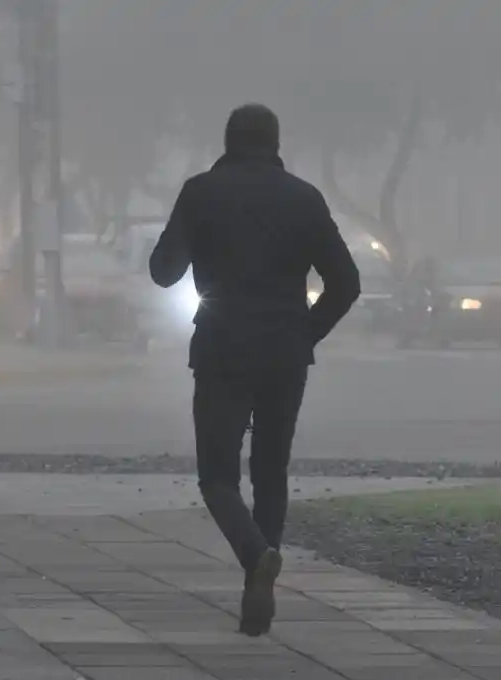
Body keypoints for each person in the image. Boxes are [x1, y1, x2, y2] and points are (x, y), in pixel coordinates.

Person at [149, 104, 360, 636]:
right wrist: (304, 333)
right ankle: (257, 587)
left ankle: (255, 555)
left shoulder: (201, 191)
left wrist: (195, 237)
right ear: (275, 142)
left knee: (218, 476)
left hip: (221, 348)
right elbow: (347, 283)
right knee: (270, 472)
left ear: (227, 141)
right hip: (285, 354)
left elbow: (162, 271)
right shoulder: (304, 198)